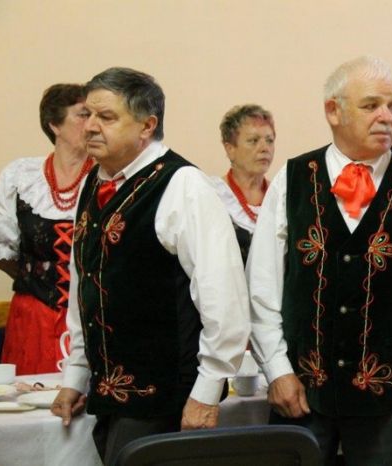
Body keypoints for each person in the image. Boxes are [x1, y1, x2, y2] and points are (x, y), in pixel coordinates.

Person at [247, 56, 392, 466]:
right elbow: (262, 286)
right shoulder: (292, 179)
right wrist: (276, 368)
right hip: (302, 392)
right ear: (333, 110)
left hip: (391, 399)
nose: (387, 116)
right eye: (371, 105)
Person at [50, 67, 250, 465]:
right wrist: (76, 373)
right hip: (109, 394)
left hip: (166, 398)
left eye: (106, 117)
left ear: (147, 125)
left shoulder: (183, 185)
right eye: (87, 114)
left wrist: (208, 390)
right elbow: (84, 287)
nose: (90, 126)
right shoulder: (93, 183)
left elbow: (223, 297)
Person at [0, 83, 93, 375]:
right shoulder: (22, 177)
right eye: (83, 115)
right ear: (54, 125)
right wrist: (37, 276)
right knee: (29, 396)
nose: (92, 124)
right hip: (34, 318)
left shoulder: (109, 178)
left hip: (92, 319)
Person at [210, 104, 275, 263]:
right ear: (230, 149)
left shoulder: (281, 196)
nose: (265, 148)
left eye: (269, 140)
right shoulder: (214, 196)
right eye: (253, 141)